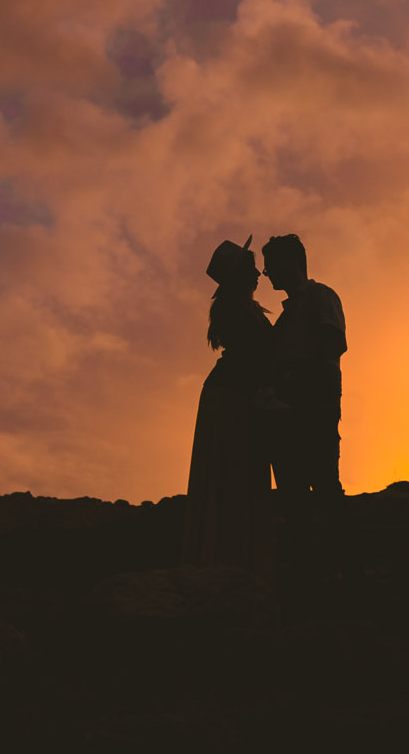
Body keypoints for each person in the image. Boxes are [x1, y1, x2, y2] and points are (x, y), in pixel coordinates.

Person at [180, 237, 279, 576]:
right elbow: (259, 358)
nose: (258, 275)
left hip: (232, 395)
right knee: (234, 467)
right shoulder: (240, 311)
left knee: (233, 470)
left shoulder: (236, 308)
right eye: (251, 269)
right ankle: (232, 555)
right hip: (233, 398)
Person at [263, 233, 345, 498]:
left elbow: (332, 345)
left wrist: (296, 384)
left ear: (291, 261)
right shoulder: (287, 316)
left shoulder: (320, 296)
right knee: (293, 493)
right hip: (289, 415)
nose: (267, 273)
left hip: (314, 410)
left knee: (323, 486)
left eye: (270, 265)